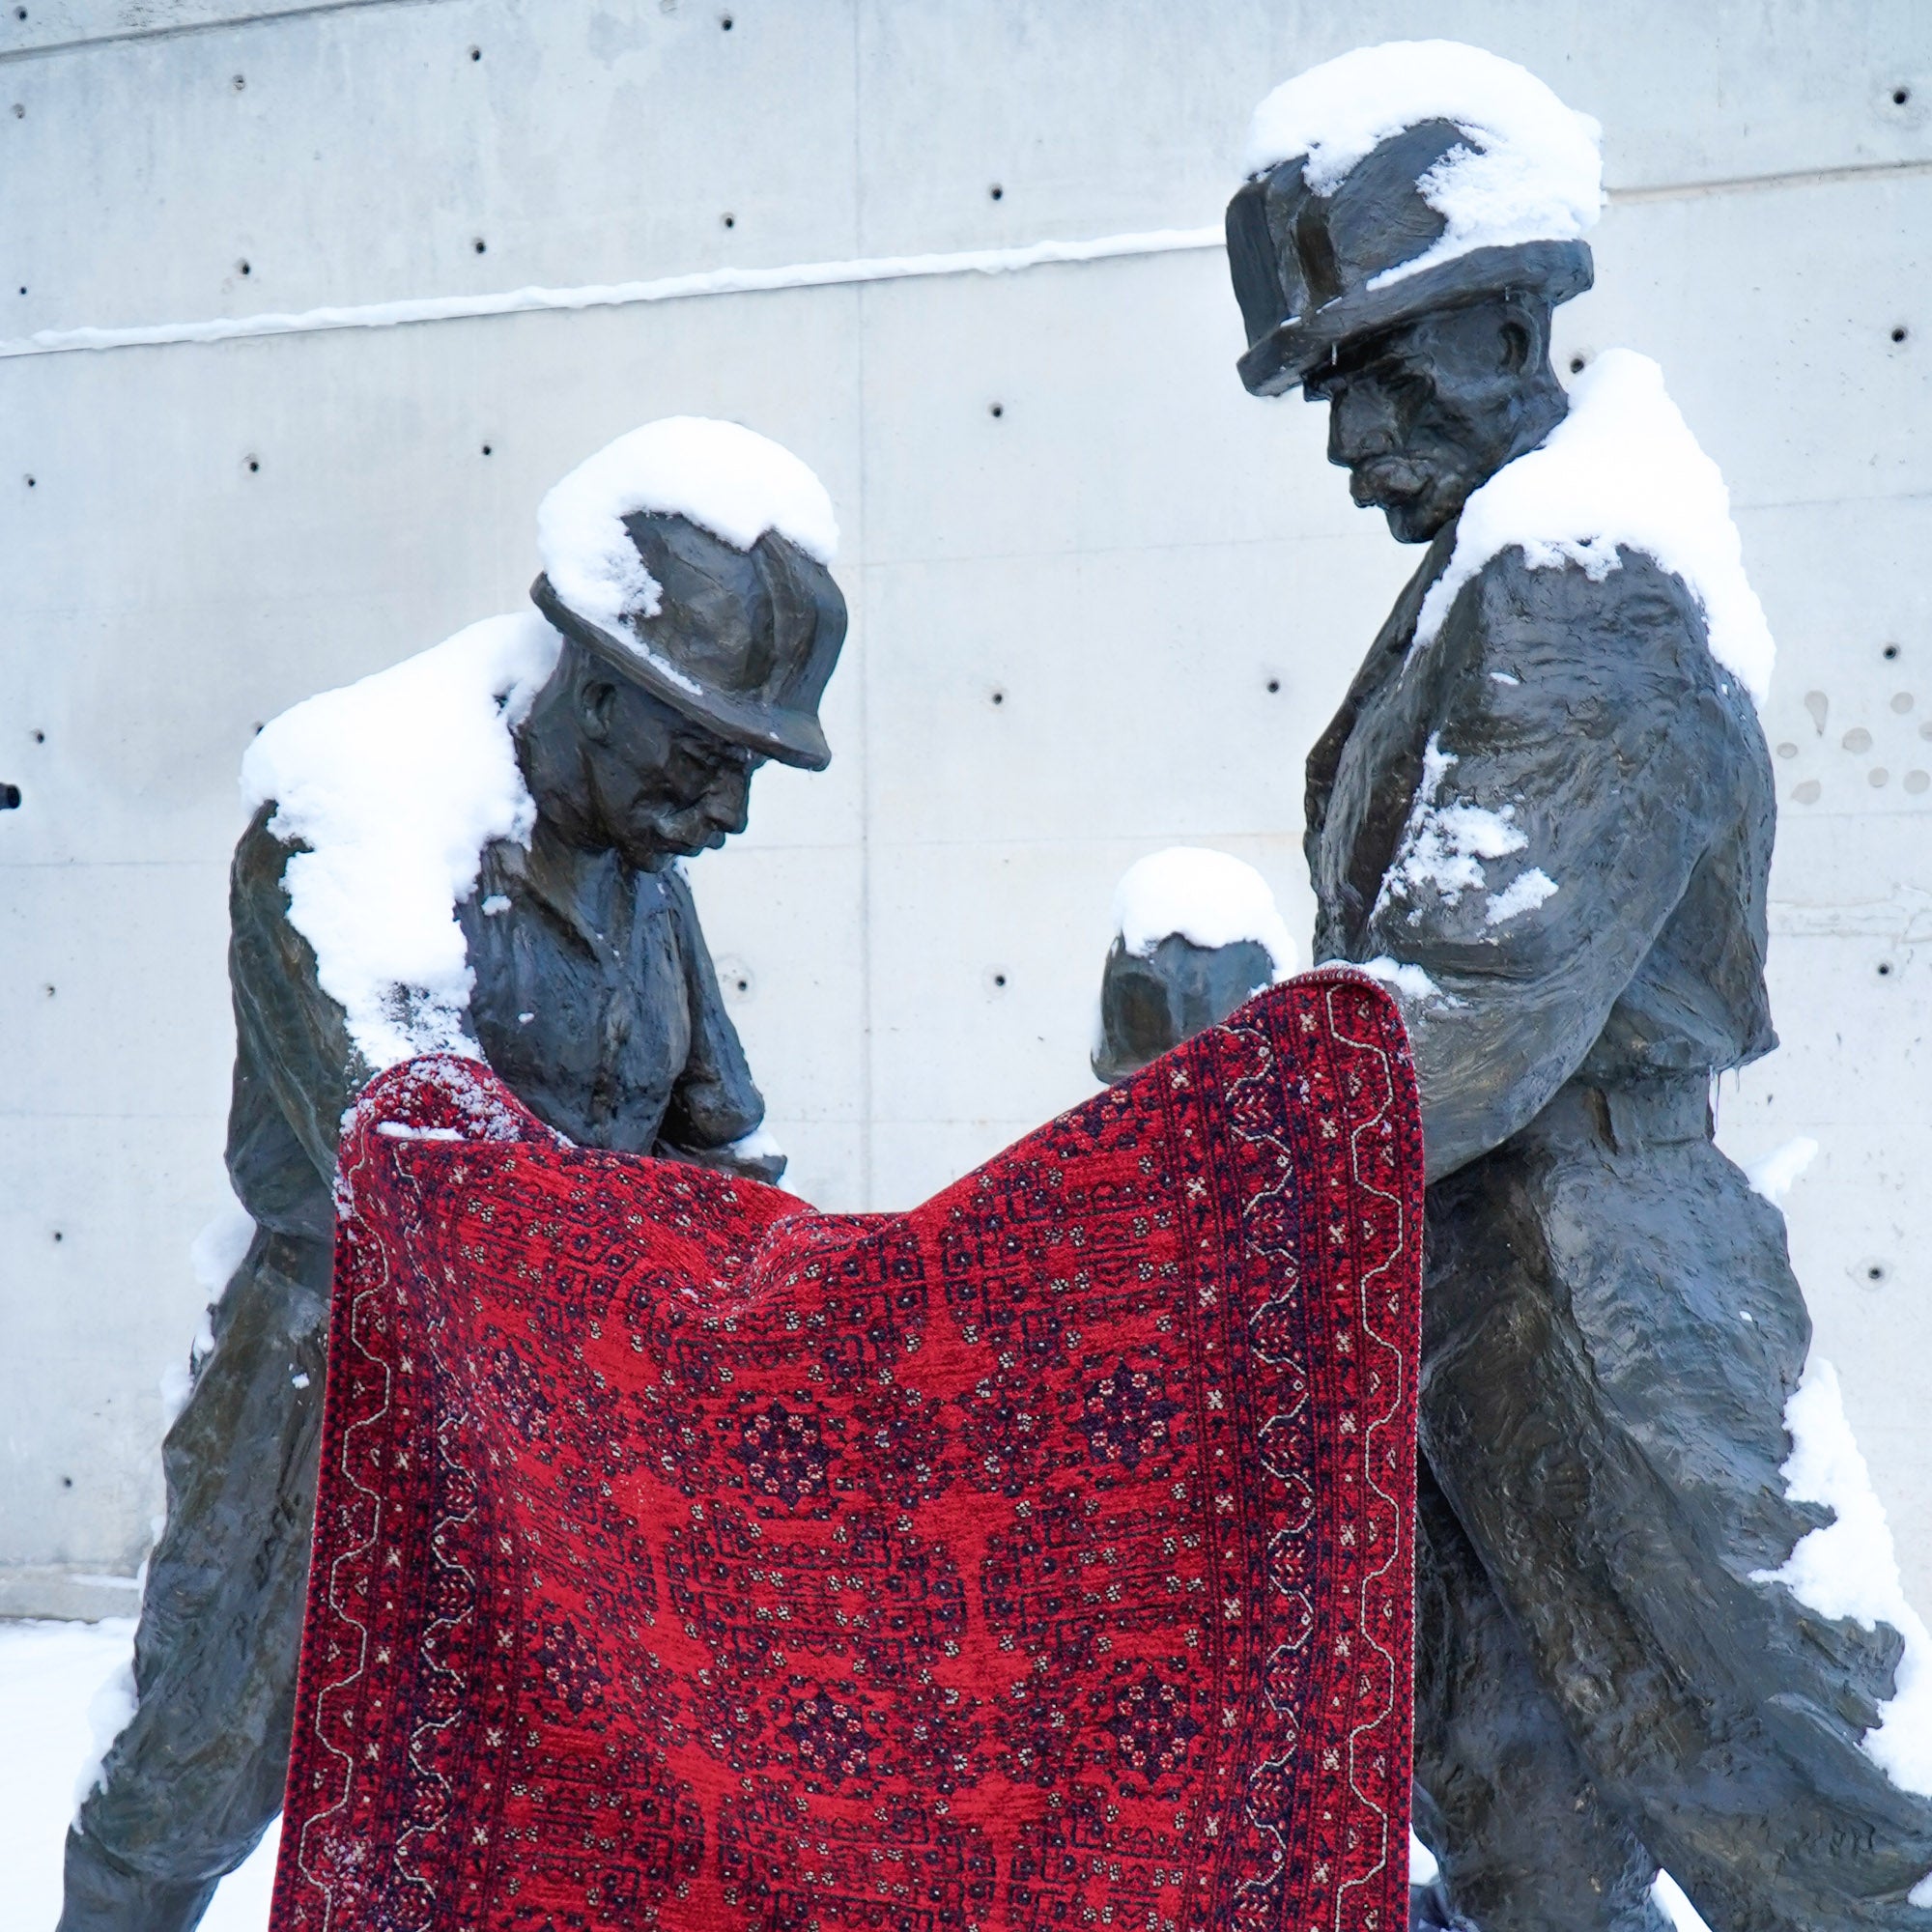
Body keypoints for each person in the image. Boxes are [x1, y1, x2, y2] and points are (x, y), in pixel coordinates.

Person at [1224, 43, 1932, 1932]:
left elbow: (1464, 996)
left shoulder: (1581, 573)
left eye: (1369, 374)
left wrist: (1188, 1188)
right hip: (1485, 1279)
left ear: (1509, 317)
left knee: (1791, 1822)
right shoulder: (1491, 566)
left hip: (1601, 1291)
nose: (1346, 442)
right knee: (1522, 1819)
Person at [58, 418, 848, 1932]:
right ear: (598, 688)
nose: (729, 815)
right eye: (707, 758)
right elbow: (418, 1149)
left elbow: (717, 1139)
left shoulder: (644, 874)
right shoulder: (355, 811)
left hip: (569, 1398)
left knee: (542, 1799)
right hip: (334, 1380)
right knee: (197, 1768)